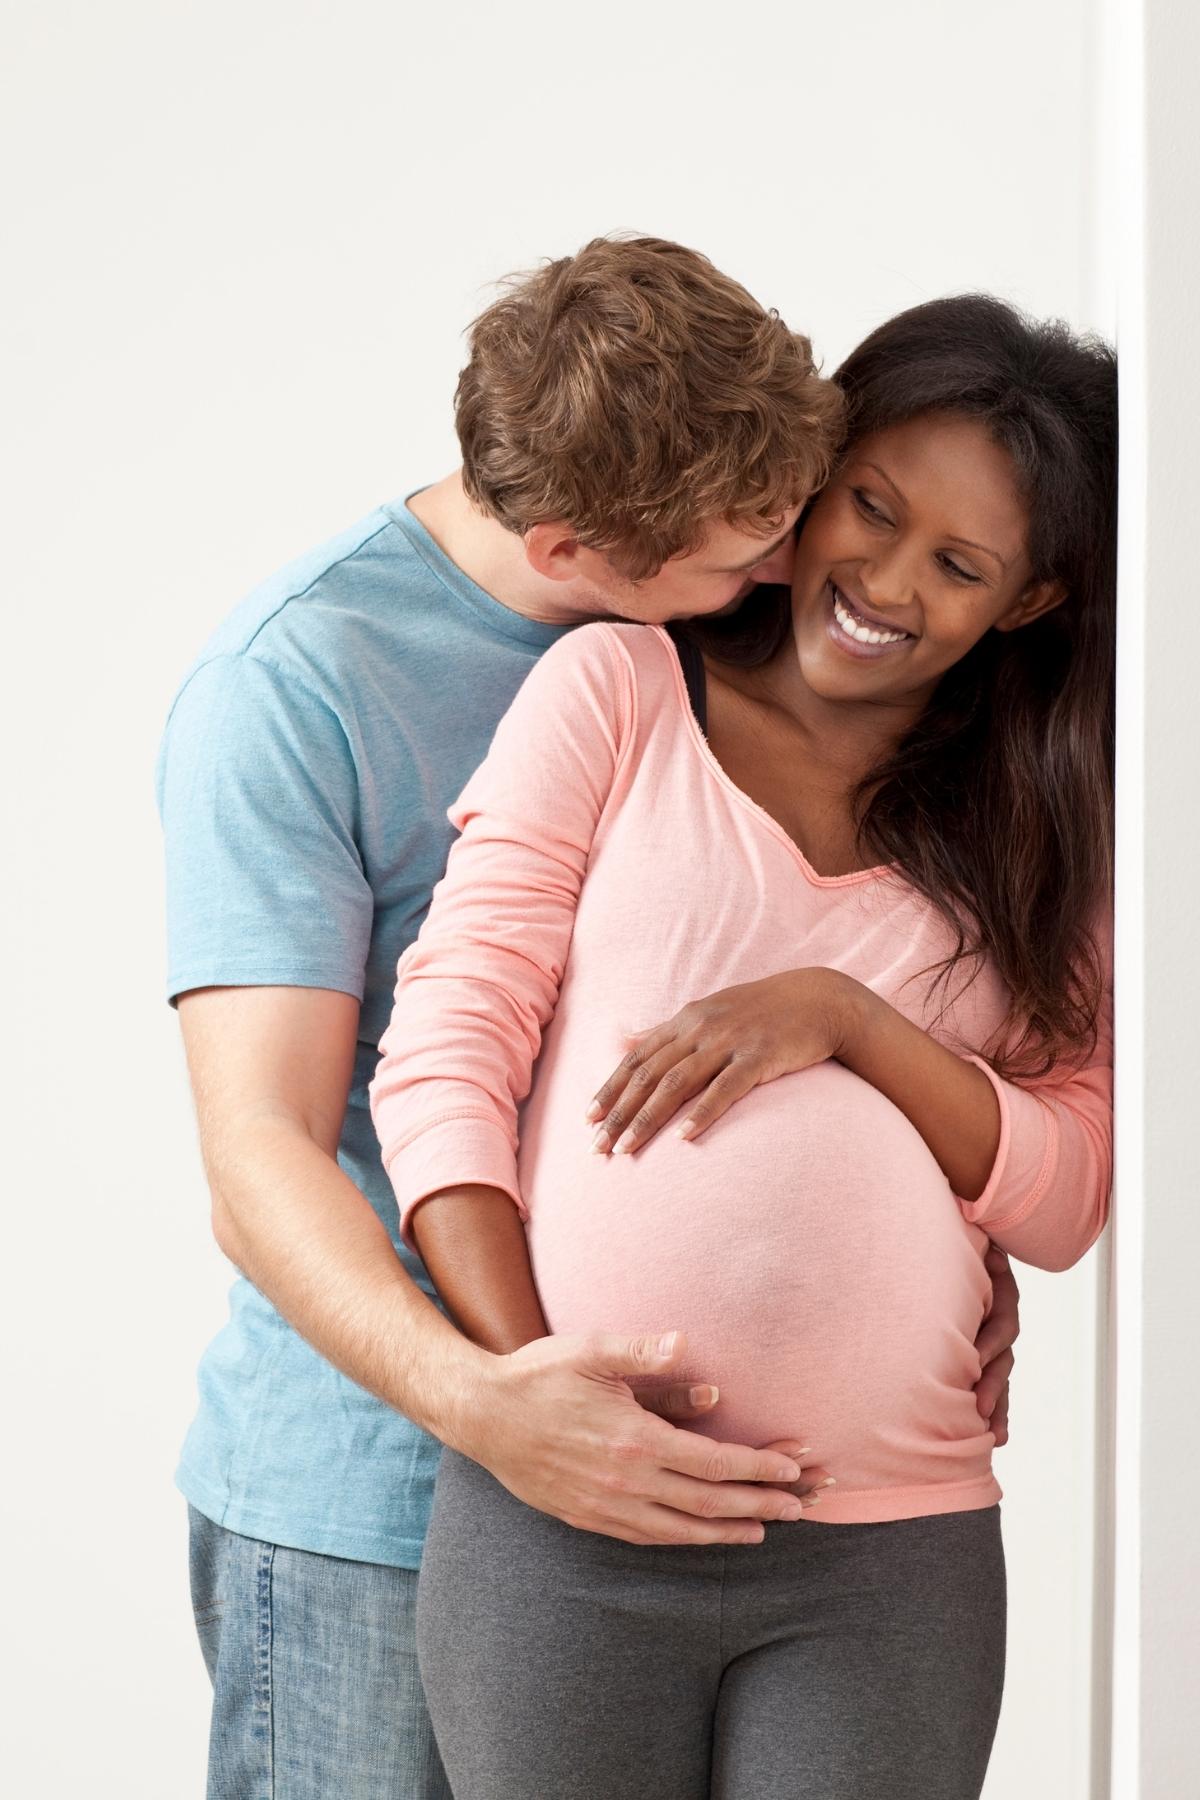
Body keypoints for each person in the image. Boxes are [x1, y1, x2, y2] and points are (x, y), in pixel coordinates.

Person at [158, 237, 1019, 1799]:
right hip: (369, 1489)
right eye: (739, 555)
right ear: (576, 546)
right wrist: (490, 1401)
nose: (788, 578)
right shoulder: (294, 691)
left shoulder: (693, 611)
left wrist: (922, 1253)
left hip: (715, 1506)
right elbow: (259, 1152)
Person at [370, 293, 1115, 1800]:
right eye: (872, 508)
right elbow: (448, 1048)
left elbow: (1068, 1192)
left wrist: (846, 1023)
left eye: (958, 565)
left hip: (885, 1555)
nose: (884, 581)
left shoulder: (1044, 827)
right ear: (817, 472)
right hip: (565, 1525)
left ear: (1024, 606)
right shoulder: (619, 692)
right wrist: (537, 1399)